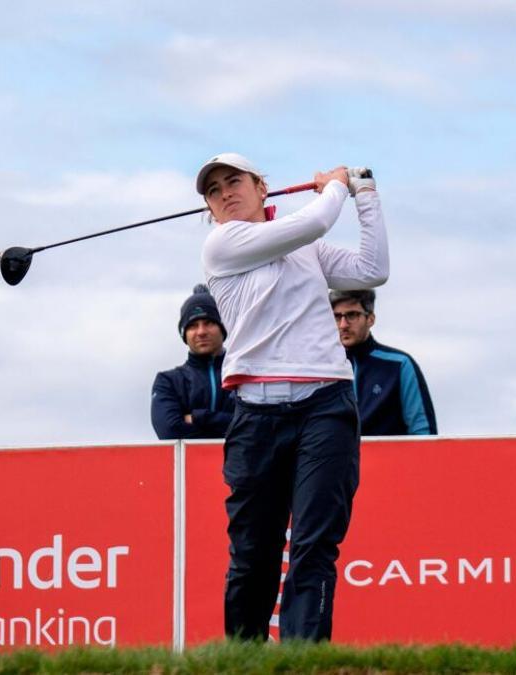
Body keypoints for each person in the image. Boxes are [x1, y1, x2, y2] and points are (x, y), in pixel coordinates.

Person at [197, 153, 388, 642]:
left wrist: (365, 194)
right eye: (214, 191)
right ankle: (244, 659)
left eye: (233, 181)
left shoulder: (307, 248)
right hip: (255, 414)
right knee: (253, 553)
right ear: (211, 212)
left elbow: (372, 269)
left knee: (314, 545)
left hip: (325, 405)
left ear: (262, 187)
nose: (225, 193)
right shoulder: (223, 244)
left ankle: (304, 661)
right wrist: (336, 185)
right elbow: (318, 219)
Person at [329, 289, 437, 435]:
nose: (343, 325)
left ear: (370, 319)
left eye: (352, 315)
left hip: (390, 457)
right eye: (337, 316)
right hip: (335, 457)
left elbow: (423, 432)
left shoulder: (399, 365)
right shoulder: (320, 369)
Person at [150, 284, 236, 439]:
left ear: (223, 328)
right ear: (184, 333)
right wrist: (226, 424)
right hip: (191, 464)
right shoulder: (168, 382)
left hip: (240, 463)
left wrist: (199, 417)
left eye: (209, 323)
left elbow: (257, 428)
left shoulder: (244, 376)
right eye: (193, 326)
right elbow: (169, 431)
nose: (201, 332)